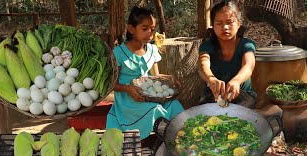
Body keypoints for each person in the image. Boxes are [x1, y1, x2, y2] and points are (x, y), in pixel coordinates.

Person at [106, 6, 185, 139]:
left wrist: (170, 78)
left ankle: (182, 136)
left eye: (153, 29)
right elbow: (112, 83)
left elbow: (156, 76)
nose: (150, 32)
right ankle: (165, 139)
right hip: (129, 101)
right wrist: (128, 89)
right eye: (145, 29)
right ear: (131, 29)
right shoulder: (119, 53)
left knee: (174, 104)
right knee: (155, 110)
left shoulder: (152, 50)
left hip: (149, 94)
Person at [198, 0, 257, 108]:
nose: (224, 27)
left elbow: (248, 66)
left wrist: (236, 81)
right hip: (212, 96)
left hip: (243, 97)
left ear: (238, 24)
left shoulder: (246, 45)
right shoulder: (207, 46)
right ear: (213, 26)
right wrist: (211, 79)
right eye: (219, 23)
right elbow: (203, 65)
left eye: (229, 22)